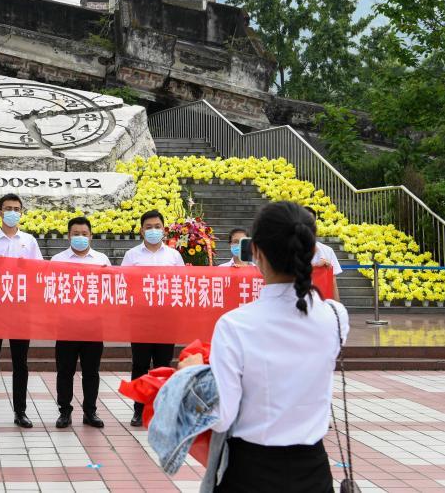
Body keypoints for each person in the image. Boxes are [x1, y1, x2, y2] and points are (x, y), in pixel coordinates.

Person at [180, 201, 350, 492]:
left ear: (255, 251)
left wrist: (192, 375)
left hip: (249, 472)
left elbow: (221, 418)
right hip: (313, 472)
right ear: (311, 250)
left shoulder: (235, 326)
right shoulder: (336, 317)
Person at [0, 193, 43, 429]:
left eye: (16, 208)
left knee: (20, 363)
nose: (12, 212)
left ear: (21, 213)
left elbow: (39, 273)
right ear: (0, 212)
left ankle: (20, 411)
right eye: (8, 208)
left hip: (21, 311)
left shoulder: (30, 242)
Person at [120, 209, 185, 427]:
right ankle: (139, 410)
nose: (153, 231)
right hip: (141, 318)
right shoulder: (132, 256)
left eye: (157, 227)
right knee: (139, 365)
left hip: (166, 319)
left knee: (162, 364)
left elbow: (182, 284)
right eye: (148, 227)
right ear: (141, 231)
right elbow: (124, 284)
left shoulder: (174, 256)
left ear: (164, 230)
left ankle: (159, 410)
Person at [50, 216, 110, 429]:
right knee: (65, 371)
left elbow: (109, 290)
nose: (80, 237)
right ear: (69, 236)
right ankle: (64, 412)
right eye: (76, 234)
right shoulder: (57, 260)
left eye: (84, 234)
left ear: (91, 236)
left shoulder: (102, 260)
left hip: (93, 325)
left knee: (91, 372)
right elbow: (50, 292)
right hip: (67, 325)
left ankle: (90, 412)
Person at [303, 206, 342, 301]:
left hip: (321, 306)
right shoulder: (287, 250)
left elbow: (333, 283)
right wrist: (315, 266)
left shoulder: (327, 251)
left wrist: (337, 310)